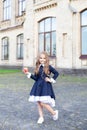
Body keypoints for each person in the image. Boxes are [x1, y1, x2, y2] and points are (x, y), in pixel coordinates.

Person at [23, 51, 59, 124]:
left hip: (45, 86)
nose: (42, 59)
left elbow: (56, 73)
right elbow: (36, 78)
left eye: (44, 58)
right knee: (39, 102)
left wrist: (51, 79)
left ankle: (54, 113)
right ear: (38, 59)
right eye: (41, 58)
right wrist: (28, 74)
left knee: (42, 102)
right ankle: (41, 117)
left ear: (46, 59)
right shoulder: (38, 67)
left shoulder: (48, 66)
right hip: (38, 86)